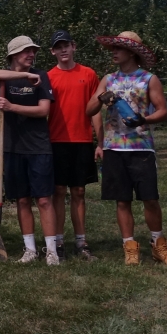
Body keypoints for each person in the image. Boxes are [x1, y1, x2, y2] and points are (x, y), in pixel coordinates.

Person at [88, 30, 167, 266]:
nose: (114, 53)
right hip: (114, 148)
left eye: (118, 49)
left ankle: (159, 245)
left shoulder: (149, 79)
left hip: (141, 147)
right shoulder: (108, 79)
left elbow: (162, 111)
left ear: (131, 52)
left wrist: (143, 120)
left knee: (150, 198)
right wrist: (100, 98)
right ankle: (129, 247)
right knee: (122, 200)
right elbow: (88, 111)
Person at [0, 36, 58, 264]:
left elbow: (43, 111)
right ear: (13, 56)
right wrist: (24, 75)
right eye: (25, 51)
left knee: (43, 200)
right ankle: (30, 249)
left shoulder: (41, 77)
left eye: (33, 51)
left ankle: (51, 250)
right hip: (12, 146)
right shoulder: (6, 79)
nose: (31, 55)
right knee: (21, 200)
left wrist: (12, 106)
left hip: (38, 146)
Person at [45, 30, 101, 261]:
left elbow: (95, 110)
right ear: (53, 51)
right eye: (58, 46)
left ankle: (81, 241)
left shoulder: (88, 74)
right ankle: (58, 241)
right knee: (58, 192)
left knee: (79, 191)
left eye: (66, 44)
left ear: (74, 46)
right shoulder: (48, 77)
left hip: (82, 141)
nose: (63, 50)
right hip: (56, 141)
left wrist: (100, 141)